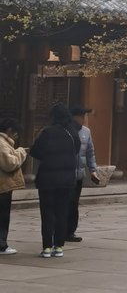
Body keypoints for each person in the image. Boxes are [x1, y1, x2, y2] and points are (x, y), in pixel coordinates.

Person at [30, 102, 80, 258]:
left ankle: (46, 247)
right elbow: (76, 151)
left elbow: (35, 151)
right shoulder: (73, 133)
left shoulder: (47, 132)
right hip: (66, 180)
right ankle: (58, 246)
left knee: (47, 213)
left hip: (47, 179)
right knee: (62, 212)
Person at [68, 105, 100, 242]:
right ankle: (59, 231)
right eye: (83, 116)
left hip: (78, 175)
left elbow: (90, 152)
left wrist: (93, 170)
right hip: (66, 174)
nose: (84, 119)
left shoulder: (86, 132)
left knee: (74, 204)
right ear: (75, 117)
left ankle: (70, 232)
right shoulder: (66, 130)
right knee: (64, 204)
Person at [0, 117, 28, 255]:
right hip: (2, 187)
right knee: (3, 216)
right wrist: (21, 152)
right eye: (16, 133)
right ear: (9, 130)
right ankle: (2, 245)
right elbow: (10, 163)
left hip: (3, 186)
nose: (16, 136)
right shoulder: (1, 144)